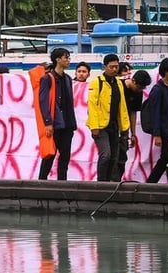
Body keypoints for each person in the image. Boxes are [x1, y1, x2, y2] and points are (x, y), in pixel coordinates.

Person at [86, 54, 130, 182]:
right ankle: (101, 182)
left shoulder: (118, 83)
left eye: (116, 67)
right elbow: (92, 105)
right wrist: (94, 126)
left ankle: (109, 181)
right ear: (105, 67)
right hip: (100, 126)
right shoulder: (97, 82)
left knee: (114, 157)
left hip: (114, 125)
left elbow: (122, 106)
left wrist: (124, 127)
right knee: (106, 154)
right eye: (111, 67)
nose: (114, 69)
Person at [37, 48, 77, 181]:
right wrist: (47, 122)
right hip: (54, 123)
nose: (68, 60)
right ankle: (41, 182)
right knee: (49, 155)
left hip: (67, 123)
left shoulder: (67, 79)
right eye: (66, 57)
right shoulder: (48, 78)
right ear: (57, 59)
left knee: (65, 156)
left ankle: (62, 184)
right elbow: (43, 102)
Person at [146, 58, 168, 184]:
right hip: (165, 131)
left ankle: (155, 182)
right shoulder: (158, 89)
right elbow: (155, 114)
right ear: (166, 72)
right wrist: (157, 134)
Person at [114, 69, 151, 181]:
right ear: (133, 81)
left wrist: (133, 133)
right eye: (139, 87)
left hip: (124, 128)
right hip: (113, 125)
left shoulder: (138, 93)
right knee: (112, 155)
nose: (140, 90)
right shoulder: (118, 86)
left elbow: (133, 113)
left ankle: (117, 181)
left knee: (122, 157)